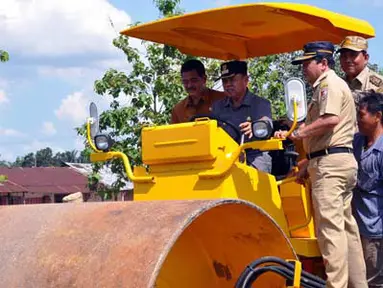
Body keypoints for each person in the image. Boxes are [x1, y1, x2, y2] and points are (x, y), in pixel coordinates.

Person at [274, 41, 367, 288]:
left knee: (330, 232)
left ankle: (335, 285)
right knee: (347, 232)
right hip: (335, 161)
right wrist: (309, 162)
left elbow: (330, 119)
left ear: (323, 63)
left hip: (331, 166)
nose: (304, 69)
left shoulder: (328, 85)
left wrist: (299, 133)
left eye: (307, 63)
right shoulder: (331, 85)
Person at [212, 60, 273, 173]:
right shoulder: (217, 107)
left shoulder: (260, 104)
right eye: (225, 81)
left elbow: (267, 123)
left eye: (232, 80)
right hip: (225, 158)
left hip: (254, 156)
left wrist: (255, 127)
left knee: (256, 179)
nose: (228, 84)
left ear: (246, 80)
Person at [352, 92, 383, 287]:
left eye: (361, 115)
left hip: (375, 231)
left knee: (374, 282)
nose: (358, 120)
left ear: (378, 116)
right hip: (357, 227)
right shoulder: (357, 142)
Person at [170, 59, 226, 123]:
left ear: (204, 79)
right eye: (185, 82)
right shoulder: (178, 110)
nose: (189, 85)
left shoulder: (223, 99)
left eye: (193, 80)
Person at [338, 36, 383, 105]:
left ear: (366, 58)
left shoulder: (378, 85)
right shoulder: (337, 83)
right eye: (344, 56)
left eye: (353, 55)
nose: (348, 60)